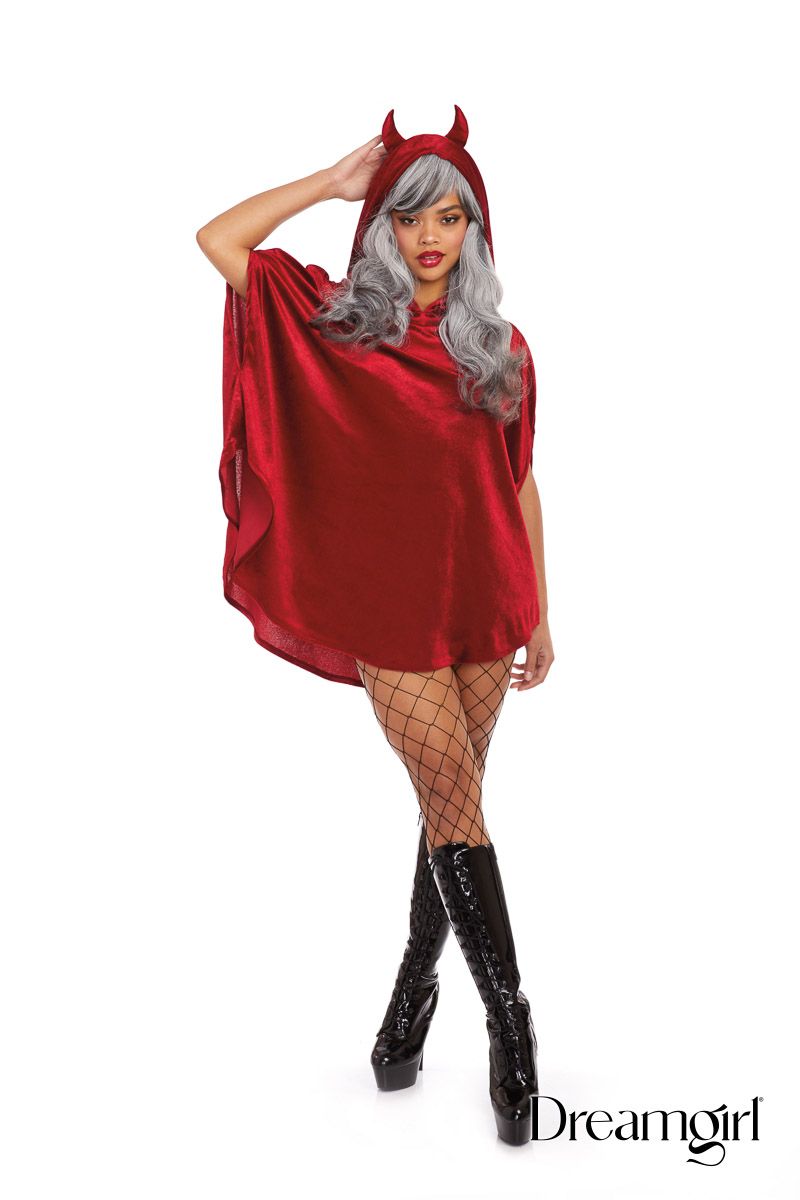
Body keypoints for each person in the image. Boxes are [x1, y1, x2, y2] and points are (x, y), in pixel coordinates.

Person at [196, 105, 555, 1146]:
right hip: (389, 610)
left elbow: (518, 481)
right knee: (452, 796)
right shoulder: (335, 323)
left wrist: (541, 606)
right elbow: (220, 240)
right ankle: (512, 1029)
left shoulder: (500, 348)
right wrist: (328, 180)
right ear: (383, 226)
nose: (430, 236)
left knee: (452, 806)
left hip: (486, 594)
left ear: (474, 229)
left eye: (449, 216)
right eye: (409, 216)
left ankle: (411, 989)